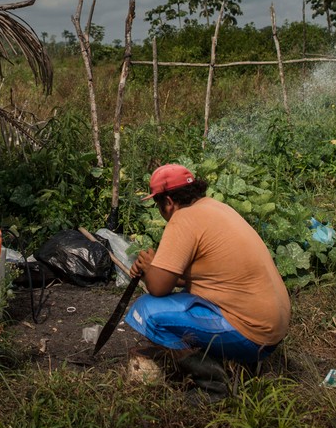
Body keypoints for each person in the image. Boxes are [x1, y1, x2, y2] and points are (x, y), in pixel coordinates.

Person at [125, 164, 291, 399]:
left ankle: (212, 386)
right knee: (179, 302)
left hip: (252, 336)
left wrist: (149, 268)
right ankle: (236, 365)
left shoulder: (183, 219)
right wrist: (153, 268)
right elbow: (201, 275)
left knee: (146, 311)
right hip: (272, 332)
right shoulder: (215, 207)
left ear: (169, 202)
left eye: (158, 204)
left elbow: (159, 288)